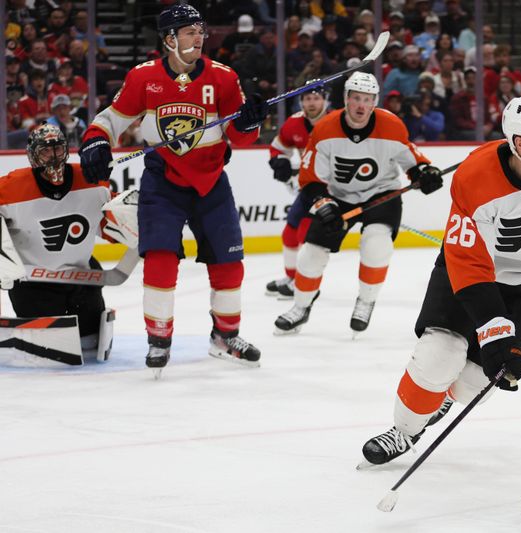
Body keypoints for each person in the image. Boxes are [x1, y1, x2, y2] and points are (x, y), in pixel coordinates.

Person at [360, 90, 521, 466]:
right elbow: (469, 264)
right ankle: (404, 431)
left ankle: (446, 398)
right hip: (467, 276)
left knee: (479, 383)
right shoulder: (475, 177)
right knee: (440, 356)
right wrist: (494, 329)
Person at [78, 3, 270, 373]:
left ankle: (225, 337)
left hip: (212, 181)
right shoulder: (142, 78)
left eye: (201, 31)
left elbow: (241, 140)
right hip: (163, 181)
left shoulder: (224, 78)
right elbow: (109, 121)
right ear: (169, 39)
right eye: (190, 32)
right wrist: (96, 142)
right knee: (161, 260)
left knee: (229, 262)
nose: (200, 38)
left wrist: (247, 124)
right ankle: (159, 340)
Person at [273, 72, 444, 335]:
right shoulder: (325, 128)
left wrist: (424, 173)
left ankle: (365, 301)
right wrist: (322, 201)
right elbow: (310, 177)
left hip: (381, 194)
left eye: (367, 99)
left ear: (375, 101)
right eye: (356, 99)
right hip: (337, 195)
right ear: (345, 100)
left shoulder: (392, 125)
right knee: (311, 254)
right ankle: (301, 306)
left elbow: (413, 160)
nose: (361, 106)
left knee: (377, 246)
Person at [0, 124, 118, 360]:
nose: (53, 157)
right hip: (33, 286)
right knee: (54, 354)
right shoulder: (11, 188)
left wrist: (134, 213)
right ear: (33, 155)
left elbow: (113, 233)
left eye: (58, 149)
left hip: (81, 281)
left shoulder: (94, 182)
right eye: (46, 151)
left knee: (89, 344)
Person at [265, 82, 330, 298]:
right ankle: (292, 278)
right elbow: (278, 147)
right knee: (290, 232)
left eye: (316, 98)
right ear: (301, 102)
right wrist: (279, 162)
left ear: (325, 100)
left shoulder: (337, 122)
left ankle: (303, 282)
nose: (311, 103)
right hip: (309, 188)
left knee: (305, 233)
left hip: (334, 190)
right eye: (307, 99)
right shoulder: (294, 123)